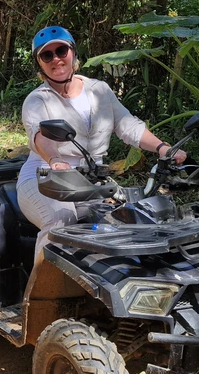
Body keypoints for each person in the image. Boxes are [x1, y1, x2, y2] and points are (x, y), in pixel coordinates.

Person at [16, 25, 188, 268]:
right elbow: (39, 136)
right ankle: (39, 299)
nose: (56, 59)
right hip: (46, 177)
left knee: (133, 217)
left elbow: (128, 125)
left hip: (92, 178)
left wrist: (163, 148)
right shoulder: (37, 99)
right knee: (59, 220)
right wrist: (55, 160)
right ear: (40, 63)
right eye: (47, 55)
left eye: (61, 51)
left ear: (73, 52)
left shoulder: (99, 90)